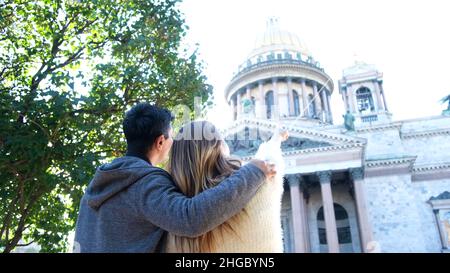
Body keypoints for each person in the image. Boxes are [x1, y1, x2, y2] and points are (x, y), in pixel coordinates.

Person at [73, 102, 276, 252]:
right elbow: (191, 219)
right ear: (161, 142)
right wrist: (254, 172)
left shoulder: (97, 185)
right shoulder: (146, 182)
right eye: (171, 137)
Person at [165, 120, 288, 253]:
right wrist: (277, 137)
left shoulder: (171, 218)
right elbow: (269, 157)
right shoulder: (261, 183)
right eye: (223, 140)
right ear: (219, 148)